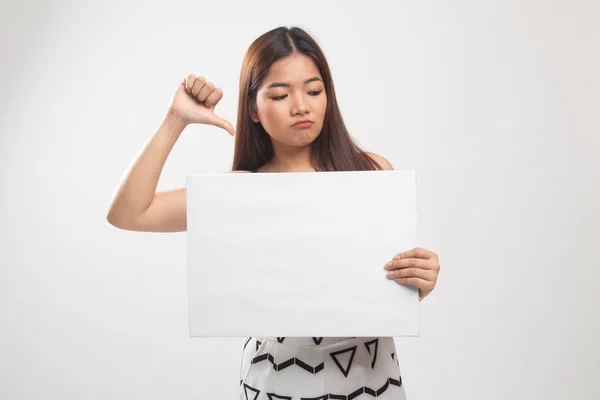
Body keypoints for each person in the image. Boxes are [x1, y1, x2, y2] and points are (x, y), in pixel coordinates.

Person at [107, 26, 441, 400]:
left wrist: (417, 280)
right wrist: (175, 118)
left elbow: (384, 287)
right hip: (275, 377)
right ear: (252, 108)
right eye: (280, 95)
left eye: (314, 91)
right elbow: (129, 214)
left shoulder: (372, 172)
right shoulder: (238, 192)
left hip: (369, 372)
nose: (301, 106)